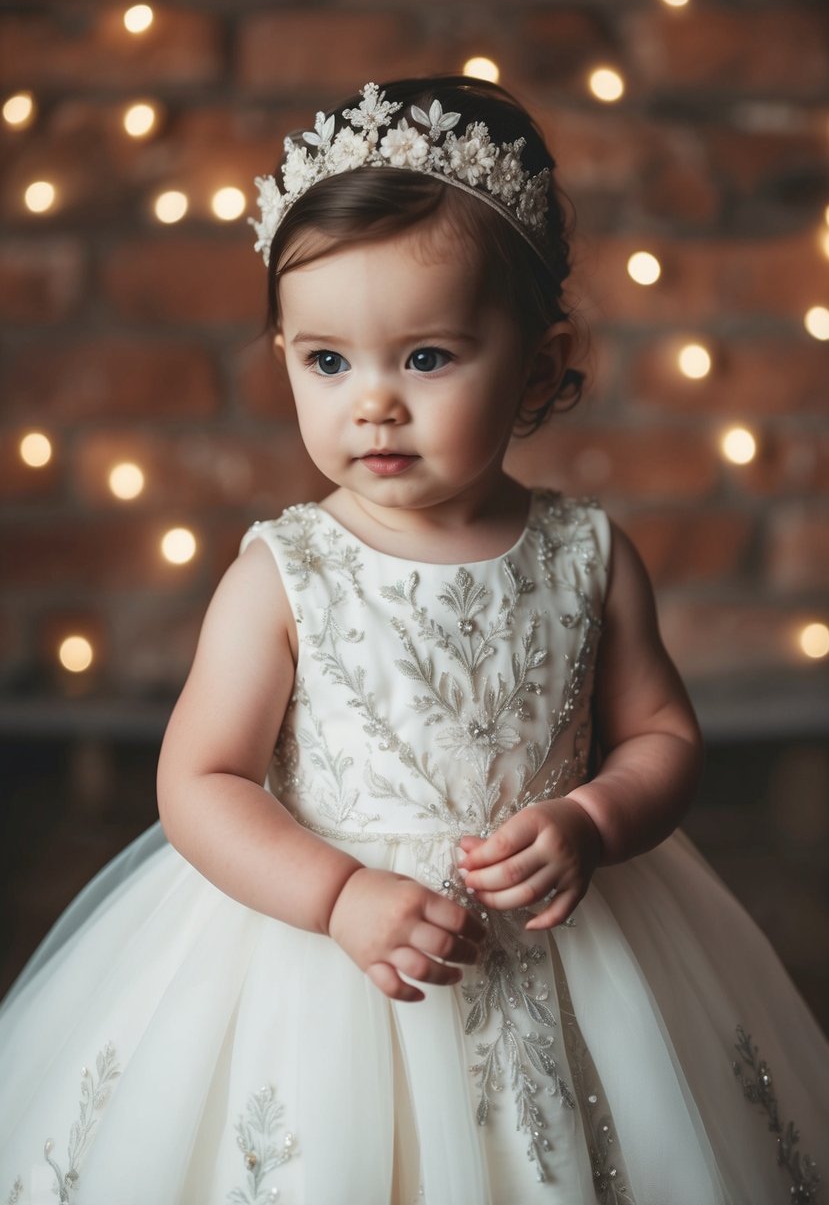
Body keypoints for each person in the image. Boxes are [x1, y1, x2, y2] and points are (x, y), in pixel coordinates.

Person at [0, 75, 826, 1205]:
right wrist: (336, 894)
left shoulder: (586, 555)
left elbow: (662, 736)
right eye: (326, 362)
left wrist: (591, 816)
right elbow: (200, 779)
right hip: (326, 956)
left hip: (563, 948)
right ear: (283, 351)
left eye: (426, 358)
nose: (372, 405)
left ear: (538, 363)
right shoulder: (281, 575)